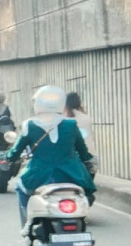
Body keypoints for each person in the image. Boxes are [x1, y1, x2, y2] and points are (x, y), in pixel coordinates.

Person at [7, 86, 96, 226]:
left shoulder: (29, 125)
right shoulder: (71, 124)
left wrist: (9, 157)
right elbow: (83, 152)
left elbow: (15, 152)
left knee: (20, 187)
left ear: (37, 103)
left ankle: (27, 224)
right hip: (72, 174)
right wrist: (87, 160)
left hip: (38, 175)